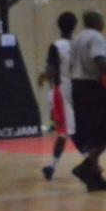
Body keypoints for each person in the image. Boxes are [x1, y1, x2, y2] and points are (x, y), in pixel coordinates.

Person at [70, 10, 106, 191]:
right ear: (97, 21)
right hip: (92, 86)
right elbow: (99, 60)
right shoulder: (96, 37)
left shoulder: (78, 38)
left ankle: (95, 178)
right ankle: (86, 166)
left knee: (94, 135)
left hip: (77, 86)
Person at [37, 11, 81, 181]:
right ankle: (51, 165)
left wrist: (43, 76)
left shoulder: (56, 46)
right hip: (80, 89)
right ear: (75, 26)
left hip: (63, 90)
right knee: (67, 131)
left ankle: (90, 164)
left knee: (67, 131)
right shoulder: (78, 45)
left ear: (58, 26)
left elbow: (51, 70)